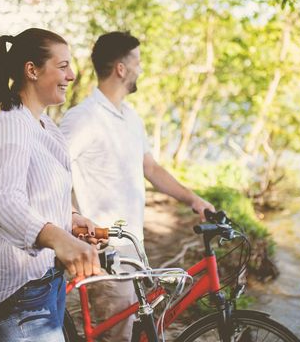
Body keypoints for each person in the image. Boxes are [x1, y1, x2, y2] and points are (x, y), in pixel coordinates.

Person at [60, 31, 215, 341]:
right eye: (137, 62)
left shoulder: (131, 118)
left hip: (133, 248)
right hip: (104, 250)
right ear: (121, 68)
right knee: (116, 335)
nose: (140, 69)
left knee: (132, 329)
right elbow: (52, 171)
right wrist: (72, 217)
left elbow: (151, 168)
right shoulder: (83, 118)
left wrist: (194, 199)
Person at [0, 28, 101, 342]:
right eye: (63, 66)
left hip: (47, 280)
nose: (72, 75)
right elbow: (7, 203)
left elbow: (43, 191)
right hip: (23, 291)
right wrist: (58, 237)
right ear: (31, 70)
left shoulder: (44, 124)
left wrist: (71, 219)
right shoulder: (11, 125)